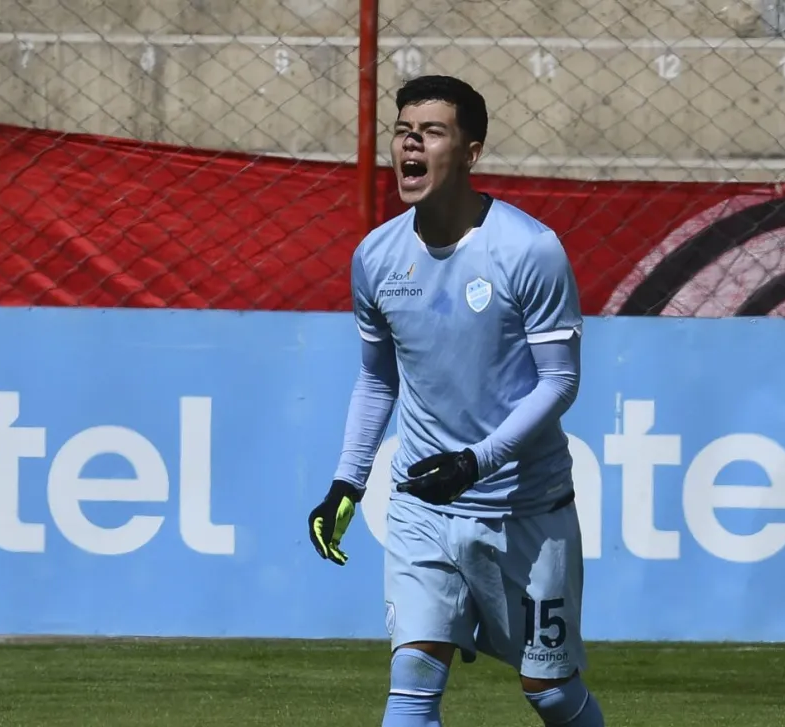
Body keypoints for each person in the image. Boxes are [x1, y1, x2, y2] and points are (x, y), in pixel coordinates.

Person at [308, 74, 604, 727]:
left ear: (471, 152)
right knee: (412, 683)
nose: (410, 143)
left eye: (431, 131)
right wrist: (346, 483)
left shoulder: (528, 249)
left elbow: (560, 381)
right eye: (402, 131)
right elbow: (377, 379)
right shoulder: (376, 256)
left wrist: (476, 462)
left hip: (525, 508)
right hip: (423, 507)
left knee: (549, 691)